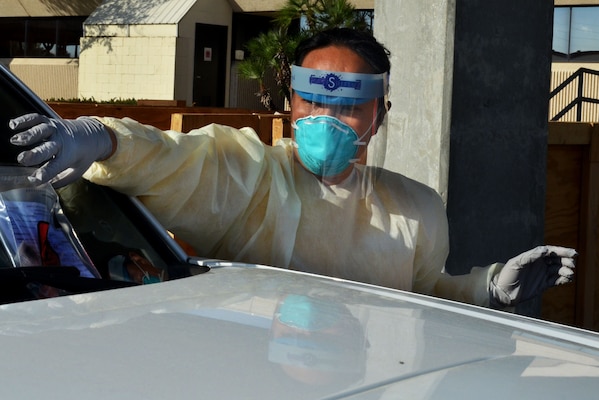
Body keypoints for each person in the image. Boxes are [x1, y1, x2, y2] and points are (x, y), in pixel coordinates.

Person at [7, 28, 575, 309]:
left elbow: (425, 301)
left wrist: (486, 288)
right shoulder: (252, 175)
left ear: (379, 115)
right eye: (312, 101)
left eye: (349, 104)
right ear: (290, 105)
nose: (326, 117)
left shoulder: (417, 208)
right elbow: (176, 159)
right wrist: (102, 138)